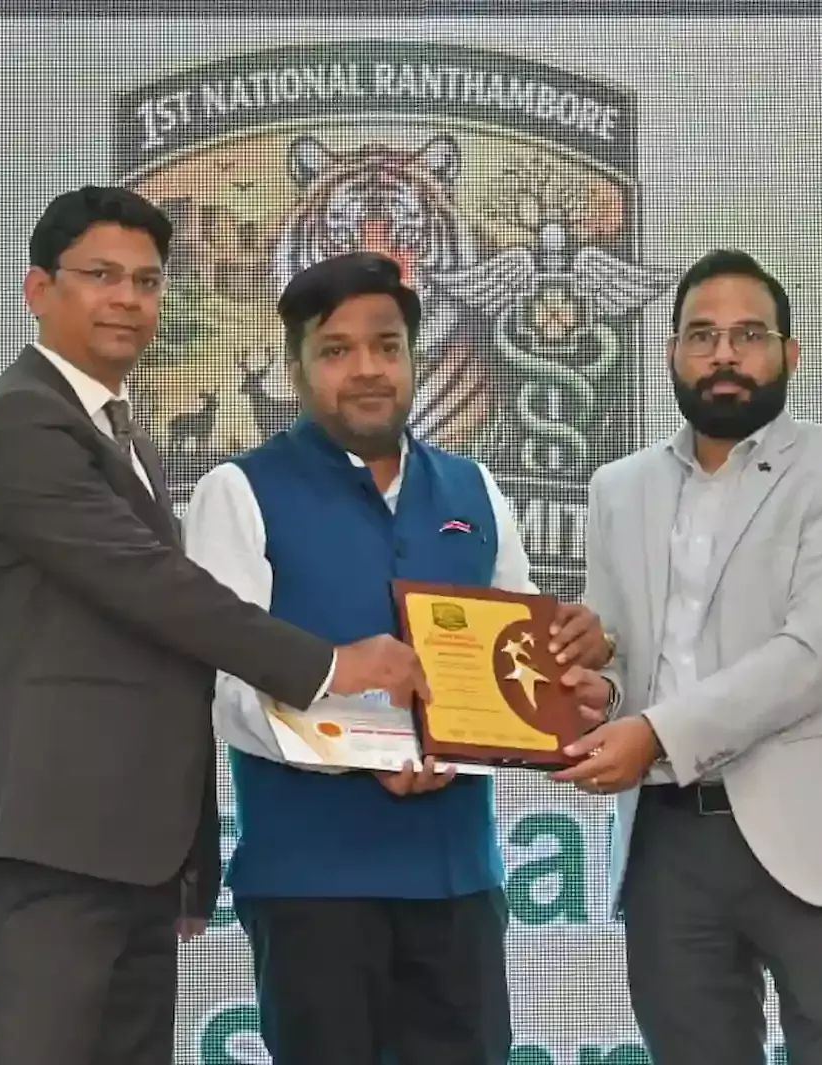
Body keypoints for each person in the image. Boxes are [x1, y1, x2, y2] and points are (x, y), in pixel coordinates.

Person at [0, 187, 428, 1065]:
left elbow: (160, 662)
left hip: (131, 855)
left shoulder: (123, 434)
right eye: (101, 276)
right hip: (48, 844)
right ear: (38, 289)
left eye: (146, 280)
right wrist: (328, 665)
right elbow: (154, 589)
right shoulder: (22, 420)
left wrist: (189, 854)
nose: (127, 299)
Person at [183, 250, 614, 1065]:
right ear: (295, 369)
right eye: (336, 349)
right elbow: (226, 691)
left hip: (459, 881)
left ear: (415, 357)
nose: (367, 369)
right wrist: (364, 747)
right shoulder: (238, 492)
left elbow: (516, 662)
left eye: (386, 345)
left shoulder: (474, 489)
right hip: (312, 885)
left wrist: (574, 677)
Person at [552, 249, 822, 1065]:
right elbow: (617, 657)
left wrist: (654, 732)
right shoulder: (618, 488)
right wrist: (591, 689)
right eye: (702, 335)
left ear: (791, 353)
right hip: (666, 839)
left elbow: (816, 652)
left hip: (809, 829)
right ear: (671, 354)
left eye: (748, 335)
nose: (724, 354)